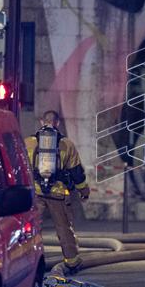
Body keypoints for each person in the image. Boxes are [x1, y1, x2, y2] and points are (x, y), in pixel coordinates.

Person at [26, 110, 91, 276]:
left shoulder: (28, 142)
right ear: (58, 123)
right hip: (58, 193)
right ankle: (71, 261)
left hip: (35, 193)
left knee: (31, 229)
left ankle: (28, 262)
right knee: (64, 229)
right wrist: (84, 190)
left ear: (42, 121)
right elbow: (77, 172)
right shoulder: (66, 144)